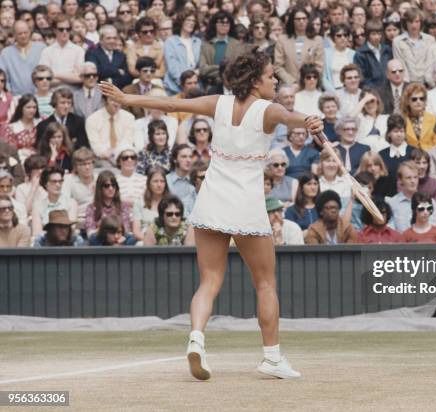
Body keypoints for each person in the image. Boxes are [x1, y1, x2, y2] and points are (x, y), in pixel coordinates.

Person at [100, 50, 323, 380]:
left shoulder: (218, 103)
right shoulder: (269, 109)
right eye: (270, 76)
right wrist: (307, 120)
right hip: (245, 205)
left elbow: (172, 105)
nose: (275, 80)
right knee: (265, 283)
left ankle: (197, 340)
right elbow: (291, 117)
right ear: (254, 81)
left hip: (212, 201)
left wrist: (124, 97)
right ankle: (272, 358)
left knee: (209, 282)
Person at [0, 20, 45, 95]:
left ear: (30, 31)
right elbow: (4, 77)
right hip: (16, 97)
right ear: (14, 35)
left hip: (39, 95)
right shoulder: (6, 53)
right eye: (20, 34)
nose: (23, 36)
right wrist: (9, 94)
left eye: (25, 32)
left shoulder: (41, 48)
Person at [31, 166, 77, 237]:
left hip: (66, 239)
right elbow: (37, 233)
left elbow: (72, 227)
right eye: (54, 181)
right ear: (46, 184)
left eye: (60, 181)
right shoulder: (38, 206)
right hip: (46, 241)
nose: (58, 185)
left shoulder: (71, 202)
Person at [84, 171, 132, 237]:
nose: (111, 188)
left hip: (120, 239)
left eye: (113, 185)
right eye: (107, 186)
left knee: (131, 238)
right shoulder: (91, 207)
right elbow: (90, 233)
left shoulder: (123, 206)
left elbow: (126, 229)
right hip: (101, 239)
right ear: (100, 188)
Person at [85, 25, 132, 90]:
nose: (112, 41)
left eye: (114, 38)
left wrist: (112, 81)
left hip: (118, 92)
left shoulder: (121, 55)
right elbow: (95, 72)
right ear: (101, 40)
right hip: (98, 92)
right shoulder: (92, 53)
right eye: (108, 38)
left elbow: (127, 78)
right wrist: (117, 71)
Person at [133, 167, 168, 241]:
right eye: (155, 181)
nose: (159, 184)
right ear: (149, 183)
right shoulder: (139, 202)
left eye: (162, 181)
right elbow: (136, 232)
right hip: (144, 243)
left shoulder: (171, 203)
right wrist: (150, 242)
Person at [401, 82, 436, 151]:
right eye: (414, 99)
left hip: (429, 156)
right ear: (407, 101)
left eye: (421, 99)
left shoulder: (433, 119)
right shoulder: (402, 120)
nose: (418, 101)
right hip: (408, 157)